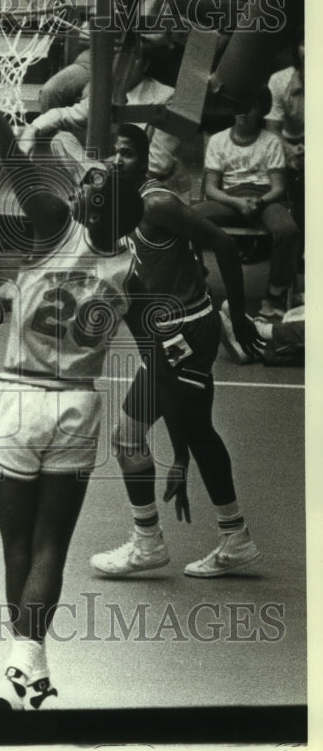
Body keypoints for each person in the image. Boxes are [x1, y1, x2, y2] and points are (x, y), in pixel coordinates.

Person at [0, 17, 150, 710]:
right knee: (50, 548)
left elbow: (7, 148)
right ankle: (28, 663)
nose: (85, 181)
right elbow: (159, 350)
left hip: (18, 396)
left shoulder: (52, 221)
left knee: (15, 547)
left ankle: (19, 658)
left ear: (94, 202)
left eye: (94, 182)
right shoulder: (133, 265)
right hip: (80, 402)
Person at [89, 124, 265, 579]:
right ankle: (235, 538)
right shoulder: (119, 211)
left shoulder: (157, 203)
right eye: (111, 153)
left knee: (131, 436)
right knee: (197, 430)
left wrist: (240, 315)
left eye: (126, 153)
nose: (116, 160)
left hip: (184, 333)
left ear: (144, 157)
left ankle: (150, 543)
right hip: (171, 333)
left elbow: (222, 242)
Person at [40, 0, 178, 113]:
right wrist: (94, 33)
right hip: (94, 58)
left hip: (131, 59)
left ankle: (84, 140)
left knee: (91, 97)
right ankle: (54, 139)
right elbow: (88, 30)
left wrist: (127, 35)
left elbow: (163, 37)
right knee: (50, 91)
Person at [194, 86, 300, 320]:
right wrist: (236, 202)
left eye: (250, 107)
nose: (243, 112)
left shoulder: (271, 141)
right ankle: (197, 284)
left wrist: (259, 201)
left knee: (288, 230)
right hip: (230, 197)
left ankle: (275, 294)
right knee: (188, 219)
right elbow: (211, 188)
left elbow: (279, 187)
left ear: (261, 111)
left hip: (265, 198)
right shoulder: (218, 140)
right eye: (239, 107)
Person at [26, 38, 180, 180]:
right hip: (108, 173)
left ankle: (99, 186)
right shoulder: (106, 93)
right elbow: (63, 115)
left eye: (130, 60)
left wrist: (113, 183)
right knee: (61, 140)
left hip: (145, 183)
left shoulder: (167, 97)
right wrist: (31, 130)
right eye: (117, 58)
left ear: (145, 65)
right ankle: (99, 185)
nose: (121, 66)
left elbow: (159, 165)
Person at [266, 32, 304, 276]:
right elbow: (272, 131)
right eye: (304, 43)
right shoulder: (280, 81)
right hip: (289, 147)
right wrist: (290, 151)